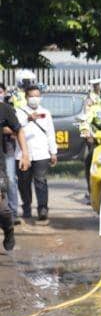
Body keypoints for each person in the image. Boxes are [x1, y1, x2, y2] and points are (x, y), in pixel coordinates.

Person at [14, 85, 57, 225]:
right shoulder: (19, 112)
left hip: (42, 153)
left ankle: (43, 209)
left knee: (41, 181)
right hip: (22, 154)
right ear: (26, 97)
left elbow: (50, 133)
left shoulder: (45, 112)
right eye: (32, 96)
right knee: (24, 182)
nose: (35, 99)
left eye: (37, 96)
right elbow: (14, 128)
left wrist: (53, 152)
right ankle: (26, 207)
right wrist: (28, 120)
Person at [0, 96, 30, 250]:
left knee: (2, 209)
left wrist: (25, 154)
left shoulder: (4, 109)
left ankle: (8, 229)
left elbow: (19, 131)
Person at [1, 83, 23, 225]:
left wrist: (5, 129)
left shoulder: (8, 108)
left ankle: (13, 211)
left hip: (7, 148)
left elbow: (17, 129)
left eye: (0, 91)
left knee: (10, 179)